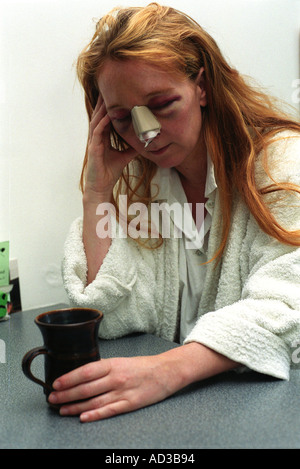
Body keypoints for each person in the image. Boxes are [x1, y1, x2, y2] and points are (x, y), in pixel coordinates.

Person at [48, 3, 300, 422]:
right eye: (123, 118)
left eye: (162, 103)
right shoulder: (145, 187)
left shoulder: (282, 163)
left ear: (202, 86)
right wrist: (96, 194)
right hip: (183, 412)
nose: (146, 133)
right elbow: (114, 315)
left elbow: (287, 305)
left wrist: (167, 370)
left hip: (273, 413)